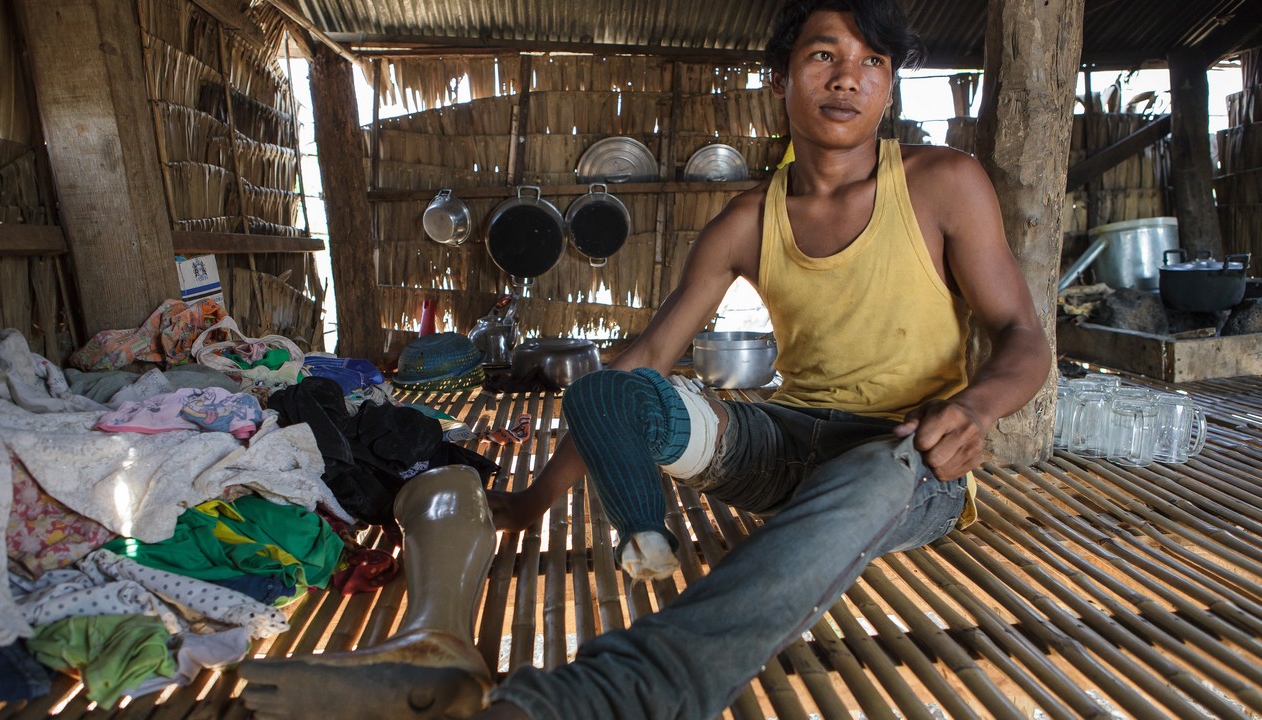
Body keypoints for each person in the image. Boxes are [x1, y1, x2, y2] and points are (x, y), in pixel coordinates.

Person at [237, 0, 1051, 718]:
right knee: (629, 389)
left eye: (872, 62)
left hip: (911, 455)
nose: (849, 78)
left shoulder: (944, 183)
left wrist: (973, 409)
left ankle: (598, 696)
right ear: (781, 78)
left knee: (877, 471)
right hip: (784, 444)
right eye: (824, 55)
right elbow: (645, 361)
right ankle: (438, 652)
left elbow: (1021, 333)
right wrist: (531, 502)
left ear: (888, 84)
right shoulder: (744, 222)